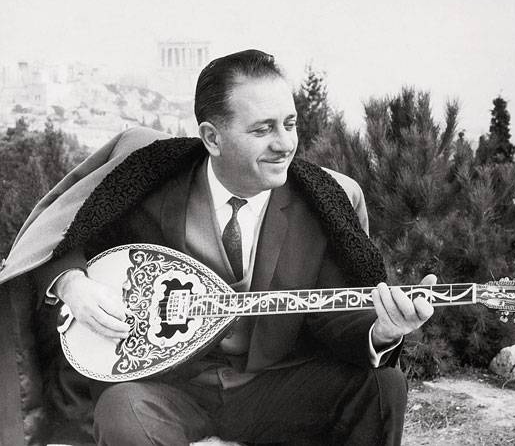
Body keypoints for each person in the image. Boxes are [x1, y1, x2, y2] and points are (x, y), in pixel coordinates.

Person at [4, 49, 434, 446]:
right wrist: (72, 284)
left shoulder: (323, 203)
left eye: (290, 124)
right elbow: (59, 233)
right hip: (169, 389)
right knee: (123, 410)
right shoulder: (150, 184)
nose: (285, 144)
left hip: (272, 388)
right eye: (263, 129)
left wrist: (382, 331)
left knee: (382, 386)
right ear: (212, 138)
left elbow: (332, 316)